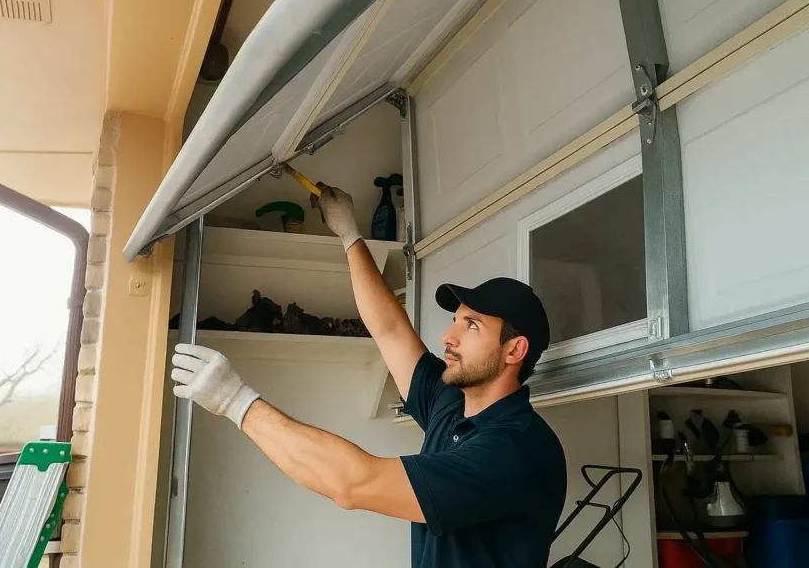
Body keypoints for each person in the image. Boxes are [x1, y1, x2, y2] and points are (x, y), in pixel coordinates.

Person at [171, 186, 567, 567]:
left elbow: (352, 483)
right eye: (455, 321)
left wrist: (234, 401)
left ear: (514, 351)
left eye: (472, 326)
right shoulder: (453, 404)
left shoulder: (516, 450)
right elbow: (390, 330)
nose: (448, 337)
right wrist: (349, 234)